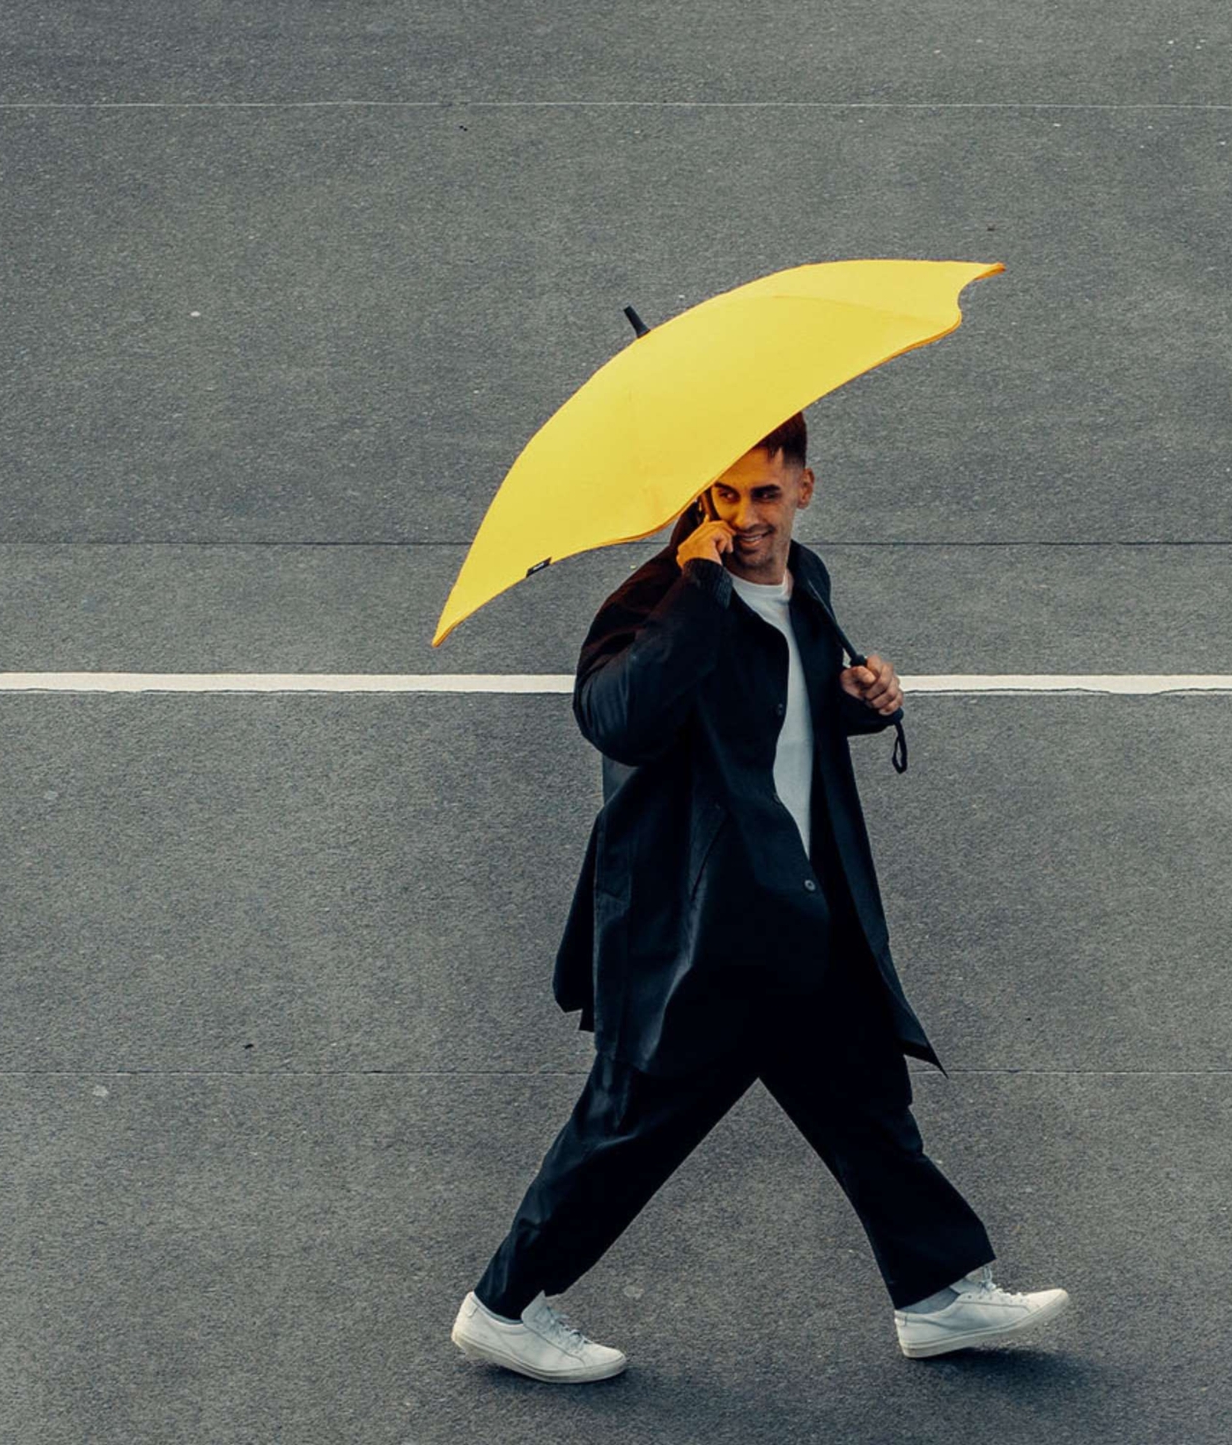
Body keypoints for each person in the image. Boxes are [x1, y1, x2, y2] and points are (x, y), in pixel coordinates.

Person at [451, 412, 1069, 1382]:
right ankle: (504, 1302)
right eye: (725, 494)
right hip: (692, 929)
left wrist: (865, 703)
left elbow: (781, 718)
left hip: (787, 905)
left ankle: (938, 1292)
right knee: (626, 1119)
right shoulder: (654, 598)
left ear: (804, 490)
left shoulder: (805, 580)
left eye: (766, 494)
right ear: (701, 497)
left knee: (862, 1097)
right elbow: (616, 719)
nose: (746, 517)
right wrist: (695, 586)